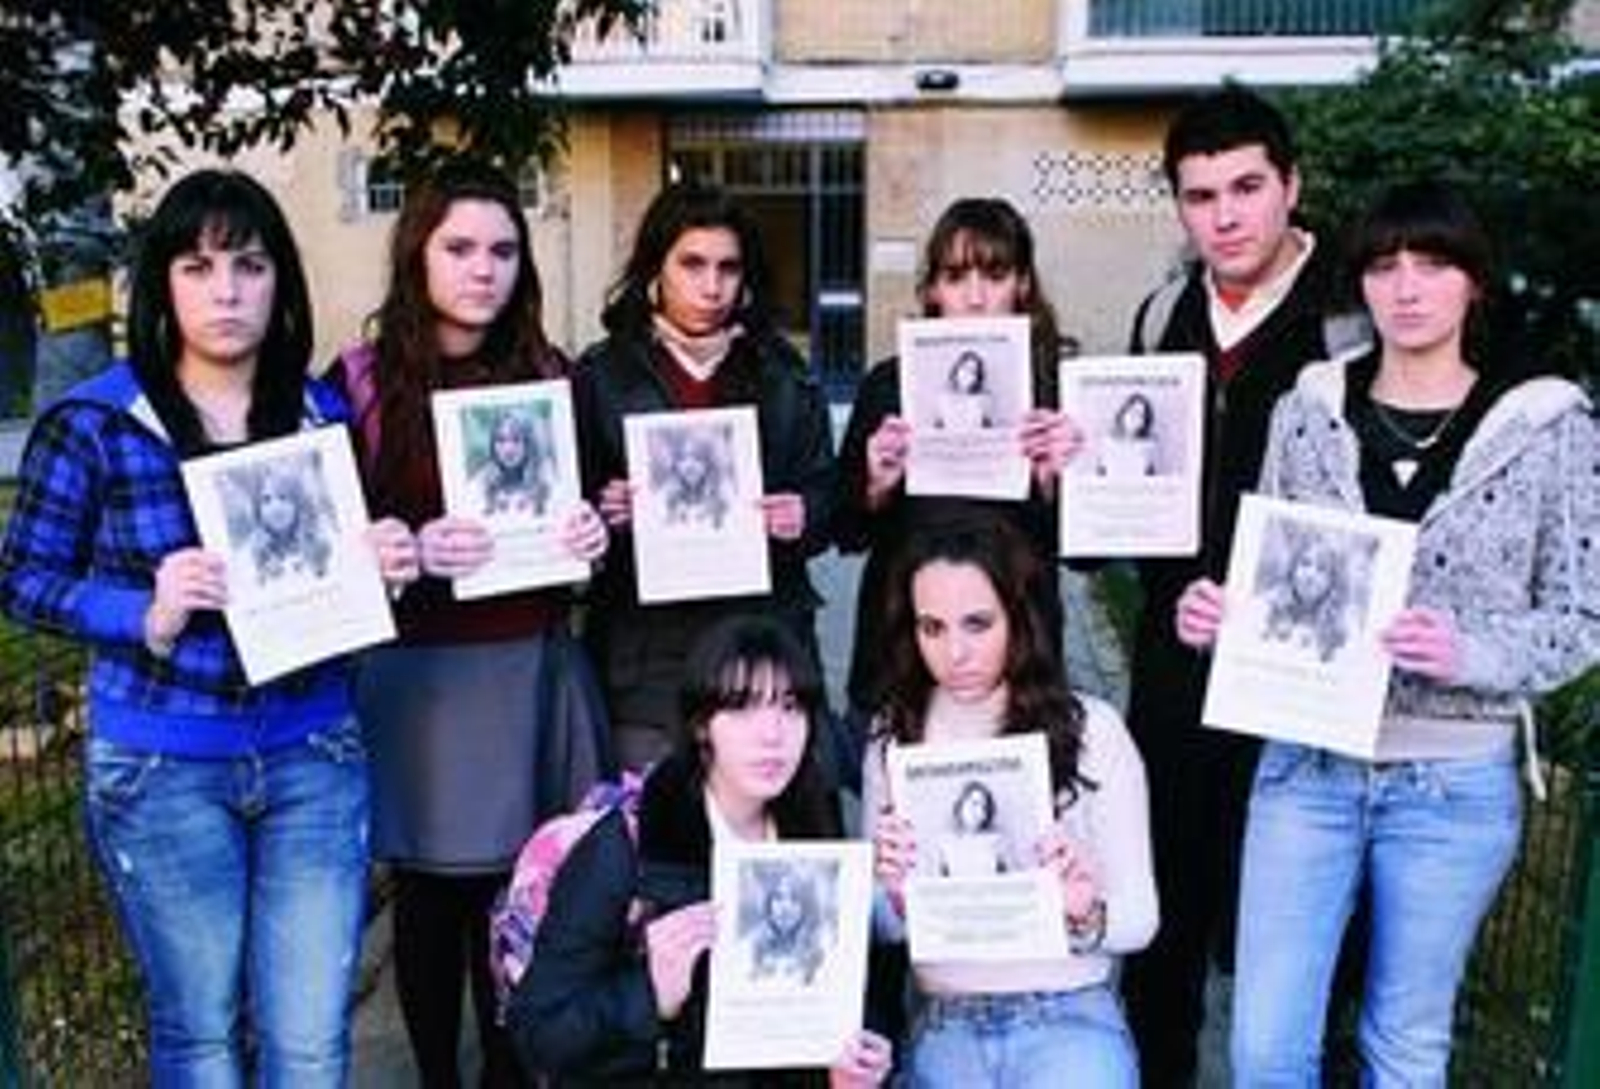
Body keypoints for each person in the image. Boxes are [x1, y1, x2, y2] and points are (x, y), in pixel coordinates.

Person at [0, 168, 419, 1085]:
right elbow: (23, 579)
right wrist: (140, 609)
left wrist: (384, 556)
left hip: (317, 754)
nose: (226, 290)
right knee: (198, 1036)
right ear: (163, 285)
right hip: (162, 767)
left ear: (281, 283)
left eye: (250, 265)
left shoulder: (318, 411)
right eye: (197, 267)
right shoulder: (99, 423)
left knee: (310, 1041)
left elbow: (345, 572)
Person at [1175, 180, 1599, 1084]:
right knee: (1262, 1046)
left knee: (1404, 1043)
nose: (1407, 287)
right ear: (1361, 283)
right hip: (1306, 763)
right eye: (1384, 265)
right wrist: (1220, 616)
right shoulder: (1310, 409)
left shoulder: (1548, 425)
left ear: (1474, 283)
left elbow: (1583, 613)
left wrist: (1472, 653)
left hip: (1452, 778)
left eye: (1433, 264)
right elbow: (1278, 573)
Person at [331, 159, 610, 1089]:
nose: (481, 269)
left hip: (526, 662)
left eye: (501, 249)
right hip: (418, 675)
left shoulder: (551, 375)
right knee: (426, 894)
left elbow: (596, 517)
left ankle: (505, 1067)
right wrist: (400, 543)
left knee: (518, 887)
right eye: (459, 247)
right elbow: (334, 537)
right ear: (418, 255)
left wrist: (591, 531)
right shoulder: (361, 383)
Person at [1113, 85, 1371, 1087]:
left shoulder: (1352, 321)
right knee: (1165, 920)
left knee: (1299, 932)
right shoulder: (1161, 313)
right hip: (1175, 665)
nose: (1223, 215)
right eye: (1198, 194)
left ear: (1290, 186)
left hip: (1304, 676)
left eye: (1246, 188)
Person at [507, 615, 894, 1086]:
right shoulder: (627, 845)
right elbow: (538, 1032)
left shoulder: (813, 831)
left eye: (791, 707)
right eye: (743, 707)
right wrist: (649, 994)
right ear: (700, 725)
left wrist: (857, 1060)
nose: (772, 733)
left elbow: (846, 999)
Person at [868, 521, 1158, 1088]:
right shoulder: (894, 734)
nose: (955, 652)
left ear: (1019, 617)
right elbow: (880, 927)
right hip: (948, 1022)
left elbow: (1141, 919)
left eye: (978, 624)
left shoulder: (1092, 729)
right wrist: (896, 897)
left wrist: (1085, 911)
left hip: (1069, 1012)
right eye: (932, 627)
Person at [574, 181, 837, 769]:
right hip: (646, 659)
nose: (711, 286)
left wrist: (804, 513)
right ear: (655, 269)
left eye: (728, 267)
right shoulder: (602, 374)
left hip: (764, 642)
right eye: (692, 264)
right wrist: (601, 508)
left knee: (768, 838)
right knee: (656, 837)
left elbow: (829, 496)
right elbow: (570, 511)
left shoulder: (785, 374)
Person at [834, 197, 1081, 786]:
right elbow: (844, 531)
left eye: (993, 275)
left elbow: (1088, 554)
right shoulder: (889, 385)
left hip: (1020, 653)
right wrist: (875, 484)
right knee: (895, 833)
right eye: (955, 276)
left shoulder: (1056, 387)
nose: (974, 297)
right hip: (901, 649)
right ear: (932, 291)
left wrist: (1058, 484)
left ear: (1022, 285)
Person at [245, 461, 334, 583]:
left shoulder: (321, 539)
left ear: (298, 503)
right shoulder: (252, 550)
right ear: (258, 509)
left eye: (283, 497)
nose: (275, 508)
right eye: (266, 500)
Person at [473, 407, 554, 518]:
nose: (508, 449)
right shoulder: (481, 483)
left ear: (528, 443)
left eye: (516, 440)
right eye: (501, 440)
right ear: (492, 445)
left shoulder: (546, 479)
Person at [936, 779, 1005, 877]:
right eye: (974, 804)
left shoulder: (997, 842)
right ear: (960, 806)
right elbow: (935, 885)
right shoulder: (945, 843)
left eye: (983, 807)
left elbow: (1012, 882)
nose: (978, 811)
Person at [1094, 391, 1159, 478]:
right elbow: (1099, 476)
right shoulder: (1107, 442)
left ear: (1144, 423)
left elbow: (1151, 481)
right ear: (1124, 413)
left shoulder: (1148, 447)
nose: (1134, 417)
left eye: (1140, 415)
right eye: (1131, 411)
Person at [933, 350, 994, 430]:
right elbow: (938, 428)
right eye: (965, 368)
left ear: (977, 378)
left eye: (973, 372)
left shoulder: (983, 400)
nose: (967, 374)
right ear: (957, 370)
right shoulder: (943, 398)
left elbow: (987, 429)